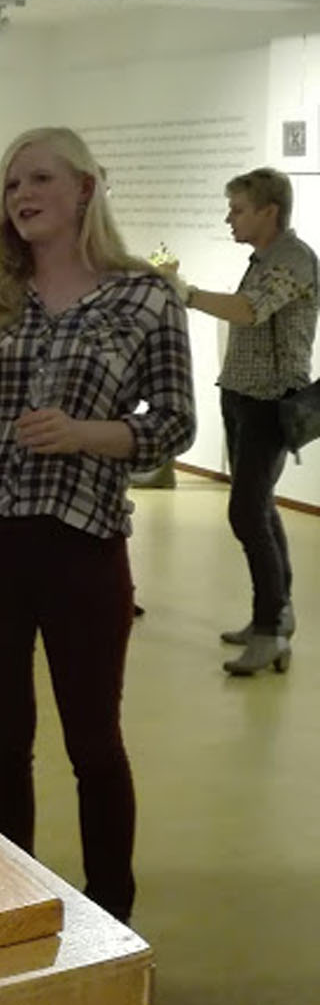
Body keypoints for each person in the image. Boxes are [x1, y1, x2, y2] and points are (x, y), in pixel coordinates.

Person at [0, 126, 195, 925]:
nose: (22, 194)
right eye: (13, 182)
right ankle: (11, 898)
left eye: (41, 179)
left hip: (83, 539)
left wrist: (86, 433)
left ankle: (111, 911)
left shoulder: (145, 296)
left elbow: (173, 423)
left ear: (85, 188)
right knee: (2, 738)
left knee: (93, 740)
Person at [173, 167, 318, 677]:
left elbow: (250, 310)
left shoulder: (293, 259)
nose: (229, 219)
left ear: (269, 211)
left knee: (246, 512)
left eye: (238, 210)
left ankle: (271, 629)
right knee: (259, 508)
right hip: (241, 398)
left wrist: (186, 293)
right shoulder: (262, 258)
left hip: (270, 404)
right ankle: (276, 615)